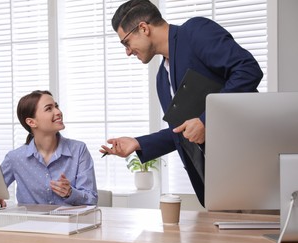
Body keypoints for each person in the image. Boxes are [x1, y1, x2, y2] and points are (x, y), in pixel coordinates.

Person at [100, 0, 263, 207]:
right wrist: (137, 143)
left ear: (143, 28)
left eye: (126, 42)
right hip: (216, 189)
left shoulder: (195, 32)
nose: (128, 52)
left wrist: (207, 121)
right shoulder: (161, 79)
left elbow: (247, 70)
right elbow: (183, 132)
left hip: (251, 171)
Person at [0, 90, 98, 210]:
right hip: (29, 226)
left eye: (56, 106)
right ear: (31, 122)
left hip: (70, 226)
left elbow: (92, 199)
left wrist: (70, 193)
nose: (58, 112)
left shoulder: (79, 150)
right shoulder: (15, 158)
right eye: (49, 109)